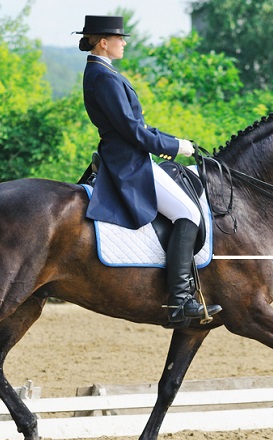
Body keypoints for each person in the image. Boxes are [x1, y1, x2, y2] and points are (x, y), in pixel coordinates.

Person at [75, 15, 221, 326]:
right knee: (188, 214)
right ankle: (181, 300)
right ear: (104, 42)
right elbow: (132, 130)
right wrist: (173, 147)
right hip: (128, 162)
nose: (124, 42)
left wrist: (174, 140)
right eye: (120, 38)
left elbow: (139, 126)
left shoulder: (103, 72)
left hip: (131, 155)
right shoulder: (103, 77)